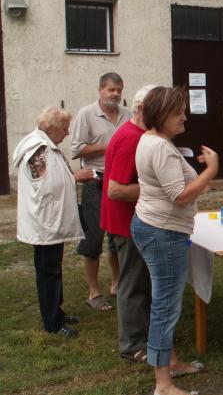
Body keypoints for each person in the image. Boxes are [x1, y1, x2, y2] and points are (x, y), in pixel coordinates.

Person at [131, 86, 218, 395]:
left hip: (153, 227)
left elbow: (180, 186)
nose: (184, 116)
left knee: (164, 302)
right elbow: (180, 196)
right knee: (166, 307)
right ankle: (163, 385)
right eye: (178, 111)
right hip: (163, 233)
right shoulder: (160, 147)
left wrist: (198, 182)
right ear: (162, 115)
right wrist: (212, 170)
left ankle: (171, 363)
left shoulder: (152, 140)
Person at [13, 107, 94, 337]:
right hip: (45, 222)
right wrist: (75, 177)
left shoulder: (45, 146)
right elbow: (45, 186)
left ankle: (55, 311)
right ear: (53, 128)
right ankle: (52, 321)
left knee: (53, 268)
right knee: (48, 271)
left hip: (49, 220)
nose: (67, 133)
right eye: (66, 128)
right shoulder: (37, 150)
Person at [100, 85, 155, 362]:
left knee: (139, 281)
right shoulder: (131, 138)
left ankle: (142, 336)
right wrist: (159, 187)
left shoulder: (138, 134)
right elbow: (115, 190)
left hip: (132, 222)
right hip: (127, 224)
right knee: (132, 283)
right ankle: (133, 344)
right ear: (143, 109)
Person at [71, 72, 132, 312]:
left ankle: (116, 282)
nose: (115, 94)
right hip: (96, 182)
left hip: (121, 183)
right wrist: (110, 145)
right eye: (110, 90)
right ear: (100, 90)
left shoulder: (127, 115)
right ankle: (94, 291)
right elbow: (75, 150)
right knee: (93, 237)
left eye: (118, 90)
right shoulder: (86, 114)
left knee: (118, 237)